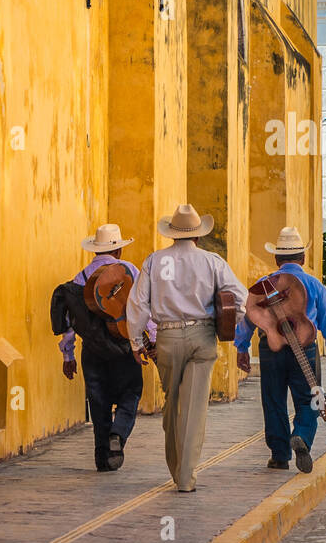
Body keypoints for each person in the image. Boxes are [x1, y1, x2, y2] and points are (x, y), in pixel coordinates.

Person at [126, 203, 247, 493]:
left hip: (167, 338)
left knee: (172, 403)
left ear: (172, 235)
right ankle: (185, 476)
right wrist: (224, 323)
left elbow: (138, 304)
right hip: (202, 336)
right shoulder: (212, 261)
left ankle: (175, 466)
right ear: (197, 235)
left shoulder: (154, 261)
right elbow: (240, 301)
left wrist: (135, 341)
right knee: (193, 408)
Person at [235, 227, 326, 474]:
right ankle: (303, 436)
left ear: (276, 260)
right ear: (303, 259)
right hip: (304, 348)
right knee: (310, 398)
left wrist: (241, 347)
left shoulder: (265, 286)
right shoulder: (312, 284)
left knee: (273, 400)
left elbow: (249, 317)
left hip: (270, 348)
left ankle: (279, 455)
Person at [50, 224, 153, 472]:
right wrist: (151, 339)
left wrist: (68, 355)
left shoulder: (80, 278)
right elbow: (143, 307)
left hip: (93, 351)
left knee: (98, 402)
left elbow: (71, 324)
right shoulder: (128, 270)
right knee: (131, 393)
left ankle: (102, 459)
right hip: (124, 346)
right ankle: (118, 434)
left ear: (95, 250)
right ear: (118, 250)